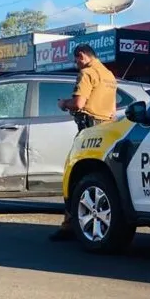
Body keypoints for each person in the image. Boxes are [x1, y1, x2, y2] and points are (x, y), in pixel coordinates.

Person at [49, 44, 118, 242]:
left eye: (76, 59)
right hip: (105, 128)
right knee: (96, 178)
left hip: (88, 128)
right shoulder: (109, 75)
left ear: (82, 56)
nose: (76, 64)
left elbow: (79, 104)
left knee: (72, 173)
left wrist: (64, 104)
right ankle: (75, 222)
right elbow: (113, 109)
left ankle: (69, 225)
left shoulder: (87, 73)